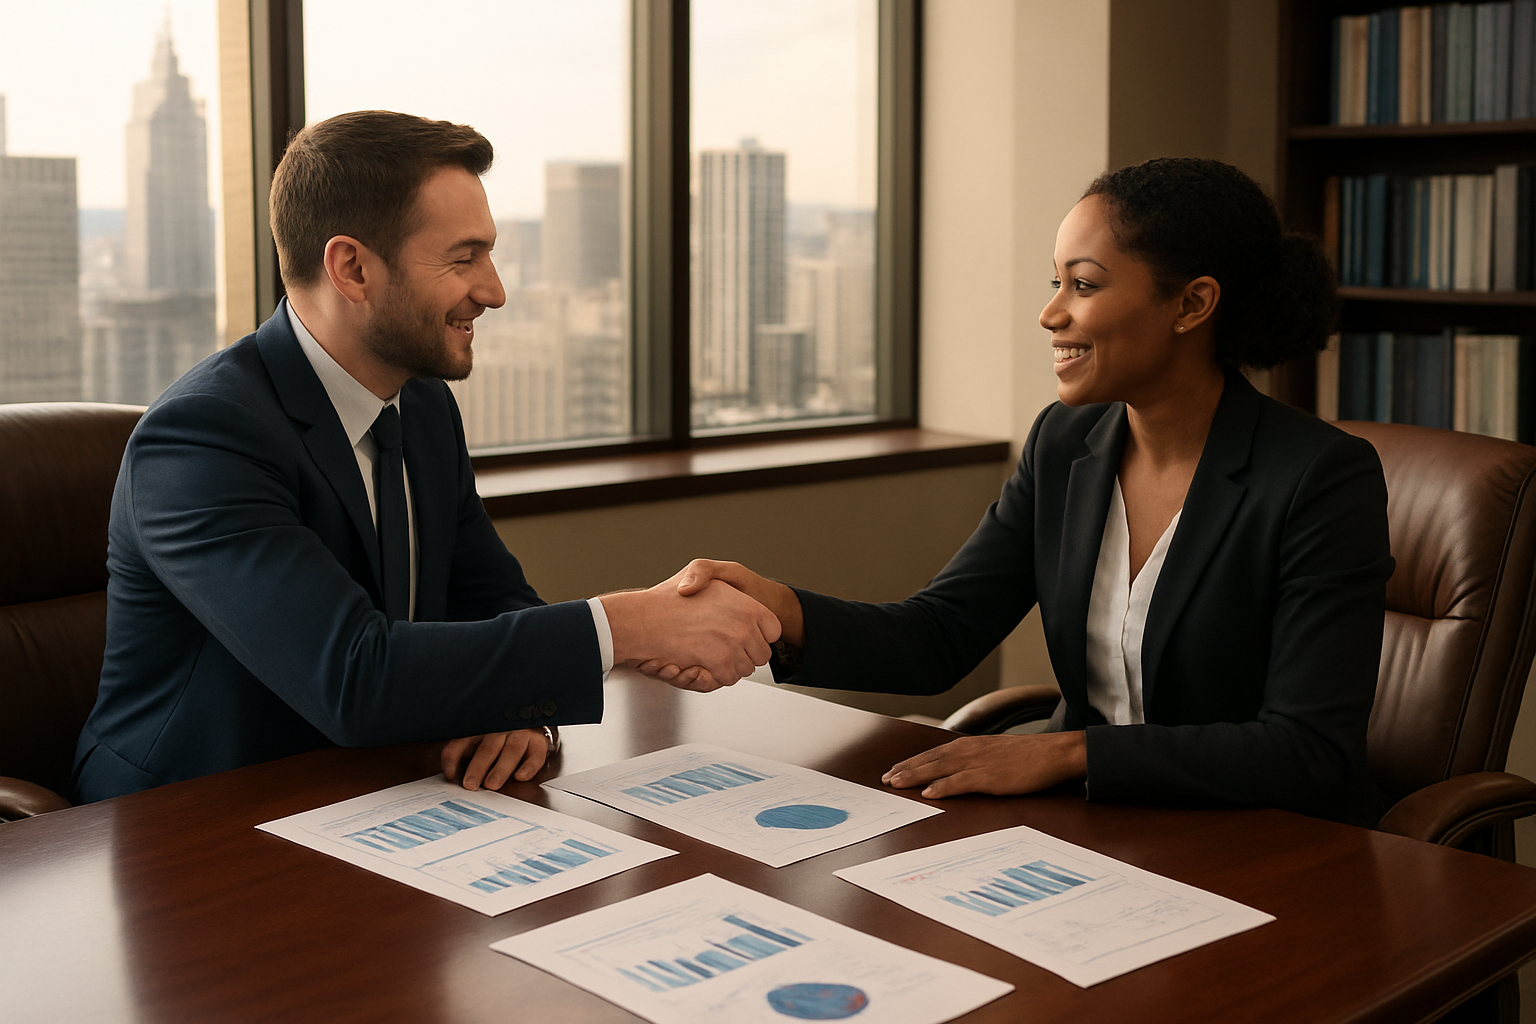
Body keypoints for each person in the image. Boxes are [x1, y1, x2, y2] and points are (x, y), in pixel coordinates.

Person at [647, 158, 1394, 827]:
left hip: (1269, 843)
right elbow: (938, 637)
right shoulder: (1066, 447)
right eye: (1055, 283)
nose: (1051, 313)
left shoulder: (1319, 478)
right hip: (1104, 828)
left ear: (1192, 305)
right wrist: (783, 609)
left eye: (1085, 284)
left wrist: (1070, 755)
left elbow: (1308, 750)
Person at [72, 110, 779, 803]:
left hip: (373, 799)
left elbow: (491, 598)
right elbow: (352, 676)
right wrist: (628, 625)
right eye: (463, 257)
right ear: (352, 267)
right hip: (187, 823)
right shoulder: (201, 440)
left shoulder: (420, 405)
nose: (494, 290)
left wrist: (521, 710)